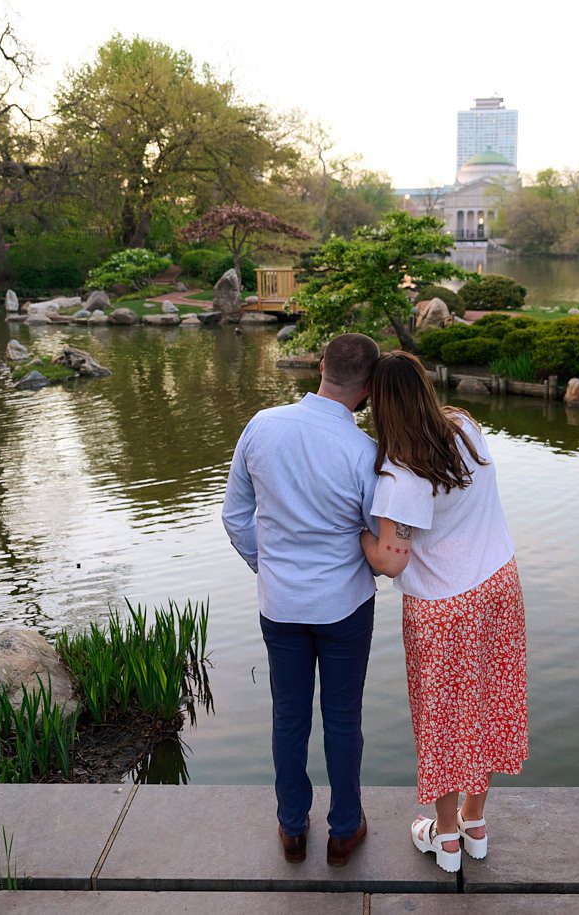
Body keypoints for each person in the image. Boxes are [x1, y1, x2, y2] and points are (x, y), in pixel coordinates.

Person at [361, 350, 528, 874]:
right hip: (499, 585)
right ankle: (476, 823)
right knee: (490, 705)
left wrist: (357, 534)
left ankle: (447, 837)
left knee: (444, 721)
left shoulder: (400, 474)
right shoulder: (465, 428)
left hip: (443, 608)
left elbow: (391, 559)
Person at [222, 332, 380, 867]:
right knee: (342, 717)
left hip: (280, 606)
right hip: (345, 606)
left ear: (320, 366)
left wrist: (266, 569)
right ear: (367, 390)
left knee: (288, 717)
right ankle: (342, 830)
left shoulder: (262, 426)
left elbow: (234, 515)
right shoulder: (364, 451)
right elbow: (378, 534)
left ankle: (292, 827)